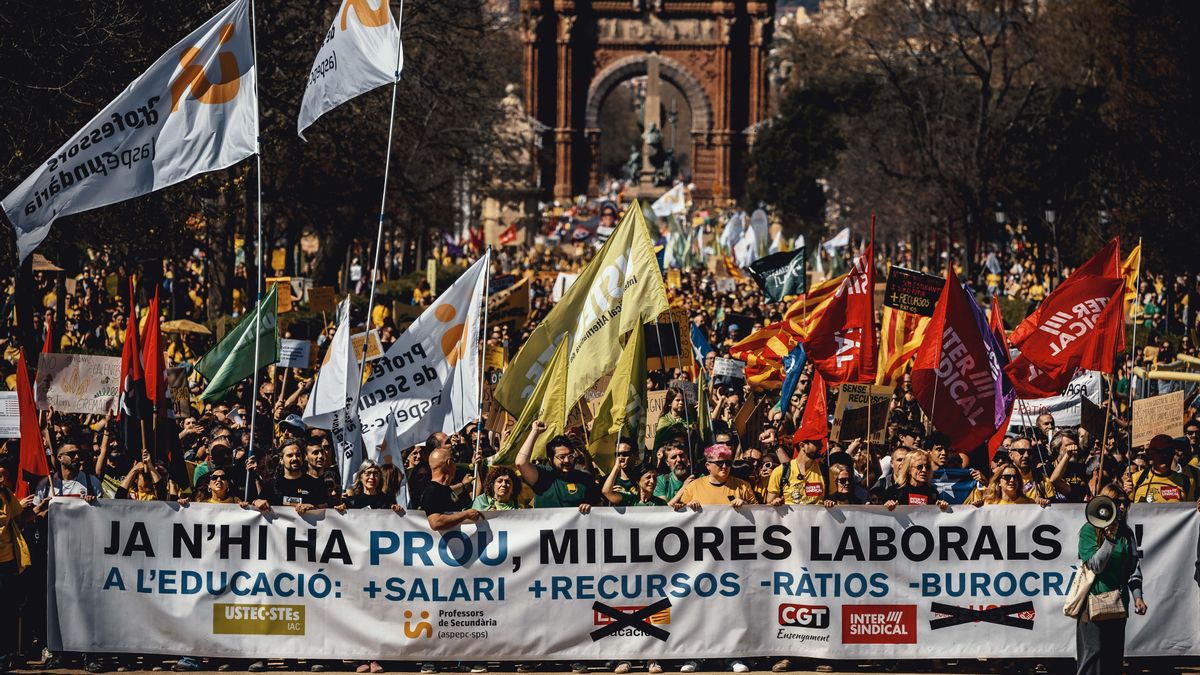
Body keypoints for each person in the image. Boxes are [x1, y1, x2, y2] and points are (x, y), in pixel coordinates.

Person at [1075, 485, 1147, 675]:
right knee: (1093, 655)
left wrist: (1138, 596)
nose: (1122, 507)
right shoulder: (1089, 530)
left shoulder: (1127, 532)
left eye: (1125, 502)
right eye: (1117, 502)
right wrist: (1109, 540)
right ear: (1106, 504)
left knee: (1113, 658)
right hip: (1092, 604)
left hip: (1118, 603)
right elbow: (1096, 566)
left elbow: (1133, 569)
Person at [515, 423, 600, 512]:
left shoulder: (585, 479)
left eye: (570, 456)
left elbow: (599, 507)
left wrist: (591, 508)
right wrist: (535, 432)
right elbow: (521, 463)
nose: (567, 460)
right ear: (550, 459)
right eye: (562, 457)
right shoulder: (542, 476)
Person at [0, 474, 32, 673]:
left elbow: (19, 516)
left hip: (6, 561)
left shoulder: (5, 494)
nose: (2, 478)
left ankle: (5, 655)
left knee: (6, 609)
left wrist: (38, 509)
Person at [670, 444, 757, 511]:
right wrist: (689, 506)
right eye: (720, 463)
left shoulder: (743, 486)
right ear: (708, 466)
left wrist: (746, 505)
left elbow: (759, 512)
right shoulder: (693, 486)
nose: (724, 466)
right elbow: (681, 513)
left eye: (728, 463)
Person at [1129, 434, 1195, 503]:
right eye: (1159, 452)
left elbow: (1191, 510)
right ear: (1150, 454)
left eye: (1168, 452)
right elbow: (1128, 509)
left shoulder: (1186, 482)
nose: (1164, 456)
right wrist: (1126, 494)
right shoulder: (1136, 478)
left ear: (1173, 453)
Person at [765, 440, 825, 506]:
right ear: (802, 445)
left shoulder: (824, 470)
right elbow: (769, 504)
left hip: (816, 516)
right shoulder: (781, 471)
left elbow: (833, 501)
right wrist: (774, 503)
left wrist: (829, 502)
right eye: (816, 443)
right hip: (789, 516)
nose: (821, 446)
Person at [883, 449, 949, 509]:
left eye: (927, 467)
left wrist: (941, 508)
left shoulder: (933, 493)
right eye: (919, 467)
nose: (924, 470)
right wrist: (887, 506)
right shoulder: (894, 492)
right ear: (908, 469)